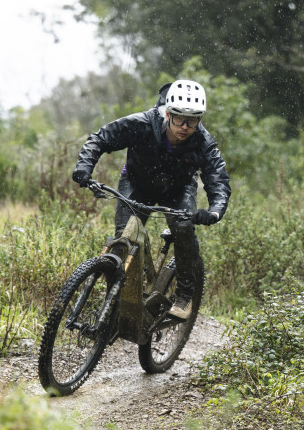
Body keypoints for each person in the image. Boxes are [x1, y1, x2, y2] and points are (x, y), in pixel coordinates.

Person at [71, 79, 231, 320]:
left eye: (193, 120)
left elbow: (218, 179)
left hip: (178, 188)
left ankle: (184, 296)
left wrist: (215, 211)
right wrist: (84, 169)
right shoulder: (142, 124)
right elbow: (100, 138)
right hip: (137, 182)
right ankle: (116, 303)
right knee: (123, 239)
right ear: (168, 113)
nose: (185, 126)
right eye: (179, 118)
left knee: (183, 228)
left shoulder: (204, 143)